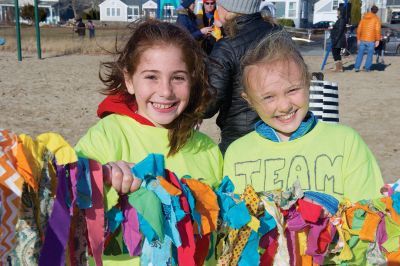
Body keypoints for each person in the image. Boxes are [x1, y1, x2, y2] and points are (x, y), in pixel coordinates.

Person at [75, 20, 223, 264]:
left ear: (193, 81)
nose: (165, 91)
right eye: (151, 77)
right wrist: (103, 178)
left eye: (178, 78)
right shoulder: (107, 136)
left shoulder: (206, 149)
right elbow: (67, 204)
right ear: (130, 80)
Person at [223, 32, 384, 202]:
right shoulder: (237, 153)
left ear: (308, 83)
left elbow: (371, 213)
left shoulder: (346, 142)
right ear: (249, 101)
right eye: (268, 97)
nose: (285, 106)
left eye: (292, 90)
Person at [203, 0, 281, 154]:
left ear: (226, 8)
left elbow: (208, 105)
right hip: (280, 130)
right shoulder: (280, 33)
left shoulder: (227, 46)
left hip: (240, 138)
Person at [354, 5, 381, 72]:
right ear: (376, 11)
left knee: (360, 54)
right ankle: (367, 68)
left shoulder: (364, 18)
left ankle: (357, 67)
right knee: (369, 55)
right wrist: (378, 40)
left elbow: (359, 29)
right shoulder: (376, 19)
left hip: (363, 39)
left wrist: (358, 38)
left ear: (371, 10)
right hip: (371, 40)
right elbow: (377, 30)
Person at [330, 7, 346, 72]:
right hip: (337, 39)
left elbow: (340, 30)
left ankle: (339, 68)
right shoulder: (340, 19)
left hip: (338, 40)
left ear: (340, 12)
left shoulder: (342, 20)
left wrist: (336, 40)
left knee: (335, 53)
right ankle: (339, 67)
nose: (337, 12)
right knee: (336, 53)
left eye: (338, 11)